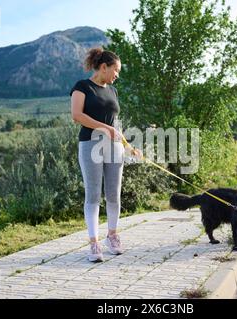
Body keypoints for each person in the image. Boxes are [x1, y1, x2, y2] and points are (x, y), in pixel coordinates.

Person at [70, 47, 141, 262]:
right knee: (93, 195)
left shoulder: (113, 91)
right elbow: (76, 116)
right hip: (90, 145)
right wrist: (105, 129)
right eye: (116, 70)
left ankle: (112, 236)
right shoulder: (82, 87)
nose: (117, 75)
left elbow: (114, 124)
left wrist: (129, 147)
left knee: (113, 194)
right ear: (104, 67)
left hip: (114, 147)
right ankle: (94, 244)